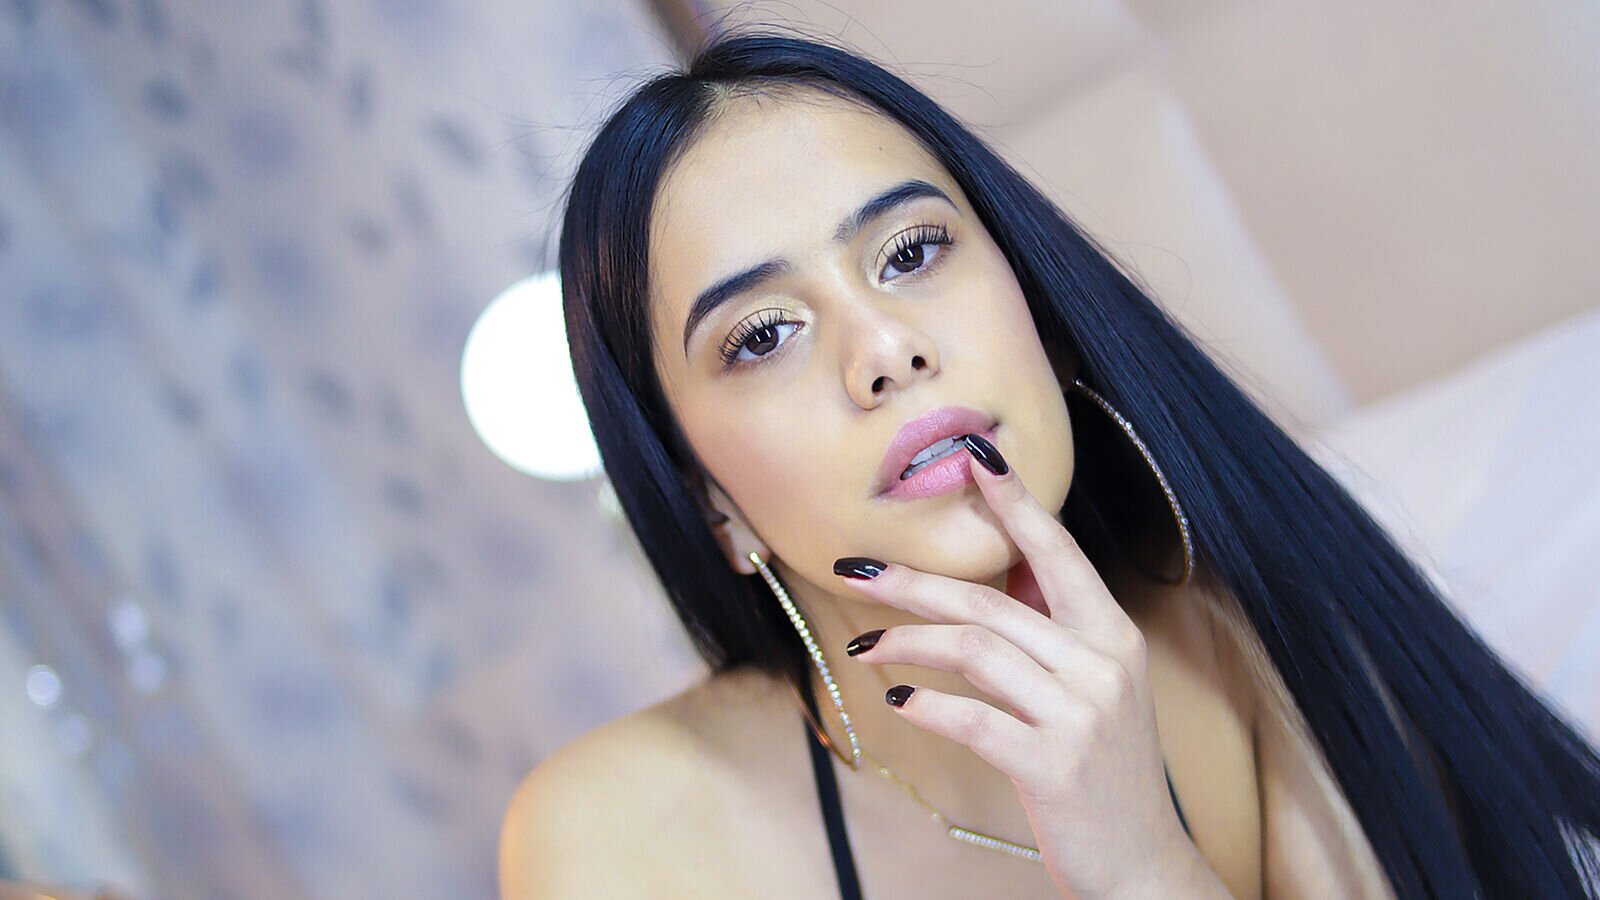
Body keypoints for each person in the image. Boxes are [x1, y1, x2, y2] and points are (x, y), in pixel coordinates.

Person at [499, 27, 1600, 899]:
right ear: (711, 503)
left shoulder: (1251, 643)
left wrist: (1140, 863)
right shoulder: (616, 832)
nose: (885, 350)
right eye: (762, 335)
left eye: (911, 252)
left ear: (1048, 323)